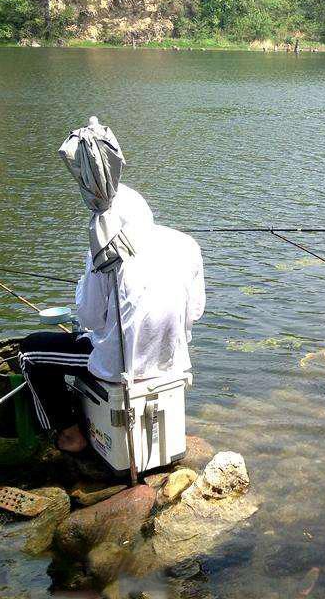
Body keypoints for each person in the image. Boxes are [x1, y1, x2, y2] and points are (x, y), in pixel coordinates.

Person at [18, 118, 205, 452]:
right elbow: (195, 312)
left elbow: (90, 318)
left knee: (31, 351)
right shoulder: (186, 244)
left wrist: (85, 284)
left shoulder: (105, 254)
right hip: (172, 362)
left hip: (122, 368)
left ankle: (66, 434)